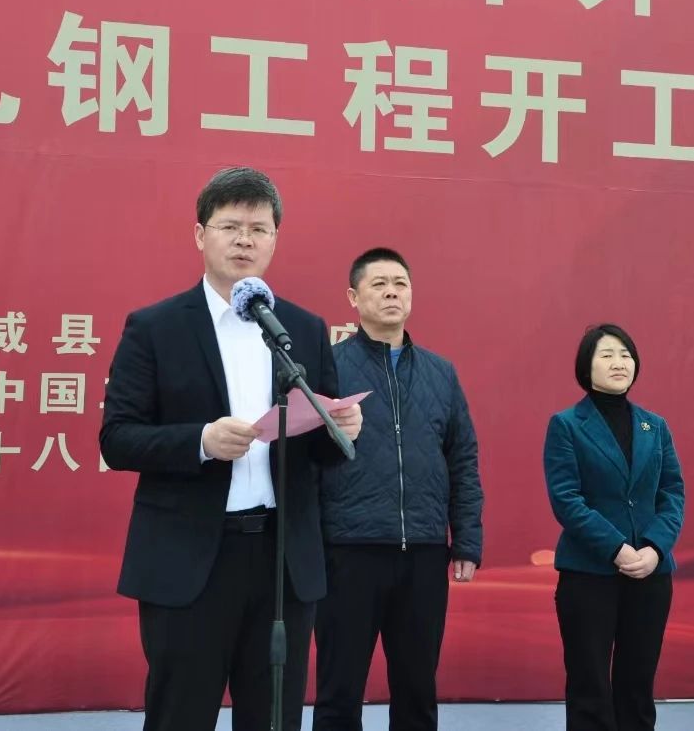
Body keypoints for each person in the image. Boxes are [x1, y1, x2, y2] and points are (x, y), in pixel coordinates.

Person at [99, 166, 363, 731]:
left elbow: (322, 456)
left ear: (275, 240)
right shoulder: (155, 327)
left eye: (259, 229)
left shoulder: (302, 329)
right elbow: (117, 438)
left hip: (281, 562)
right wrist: (201, 441)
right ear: (201, 235)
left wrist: (341, 429)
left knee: (274, 718)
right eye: (231, 227)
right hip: (191, 558)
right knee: (180, 716)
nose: (245, 240)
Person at [314, 247, 484, 731]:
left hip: (424, 554)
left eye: (400, 284)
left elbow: (462, 459)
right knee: (338, 692)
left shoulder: (440, 373)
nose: (392, 293)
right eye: (379, 284)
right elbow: (304, 460)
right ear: (353, 297)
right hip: (349, 552)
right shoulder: (327, 369)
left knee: (417, 692)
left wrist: (466, 539)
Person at [542, 324, 685, 731]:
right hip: (590, 573)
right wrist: (617, 548)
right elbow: (567, 500)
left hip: (650, 573)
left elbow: (672, 493)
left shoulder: (654, 426)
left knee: (637, 685)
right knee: (589, 686)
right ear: (585, 367)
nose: (619, 363)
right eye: (606, 355)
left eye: (625, 355)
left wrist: (654, 548)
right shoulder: (567, 425)